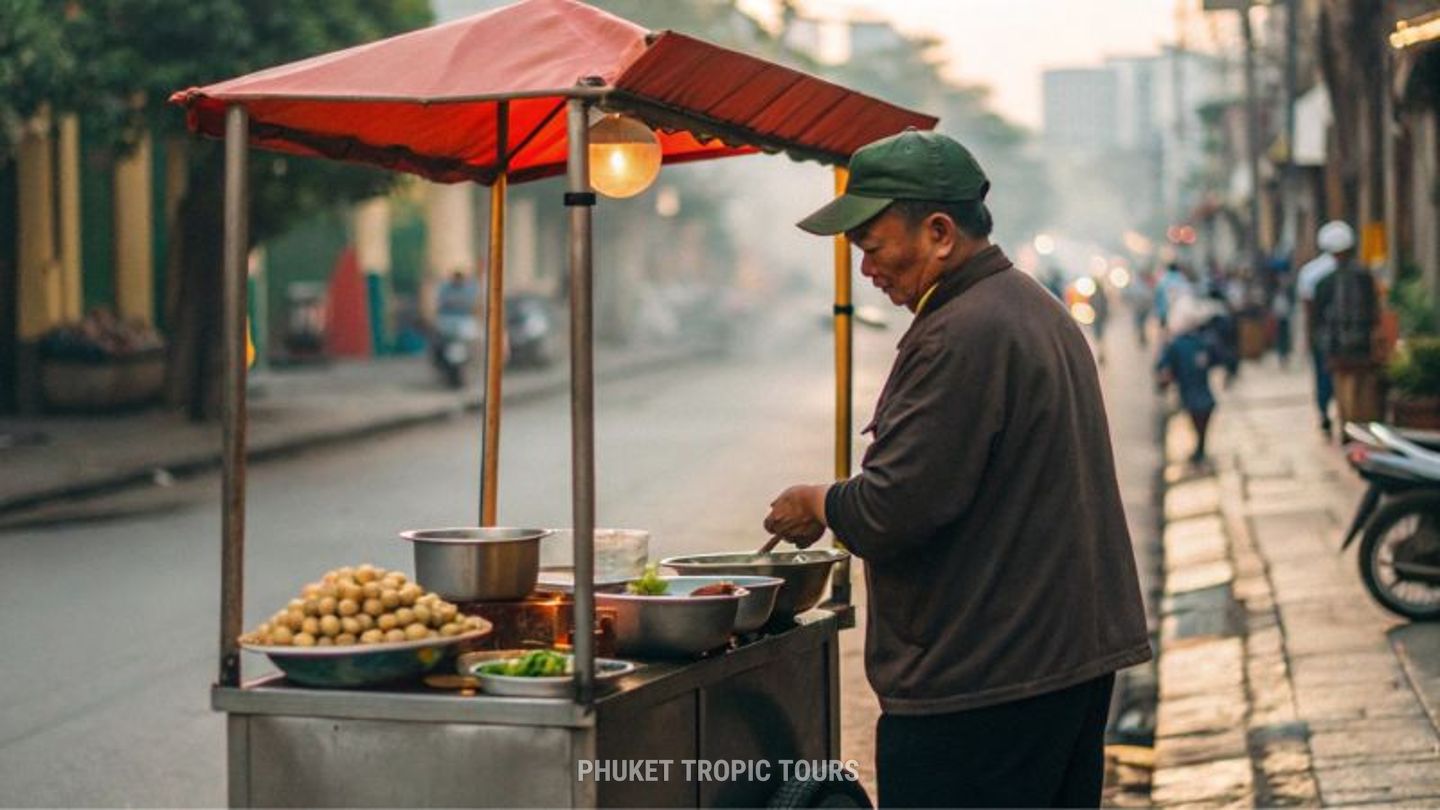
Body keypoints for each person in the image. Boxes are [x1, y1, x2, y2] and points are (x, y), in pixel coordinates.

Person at [762, 129, 1151, 809]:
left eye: (873, 247)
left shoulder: (959, 333)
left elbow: (894, 508)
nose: (867, 270)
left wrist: (818, 502)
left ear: (939, 232)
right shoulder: (1033, 308)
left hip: (983, 687)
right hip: (1058, 668)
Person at [1313, 228, 1381, 427]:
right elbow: (1374, 310)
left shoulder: (1324, 282)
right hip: (1362, 343)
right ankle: (1361, 424)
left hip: (1337, 346)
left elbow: (1317, 317)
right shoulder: (1364, 277)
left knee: (1341, 387)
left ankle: (1347, 426)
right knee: (1362, 387)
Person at [1297, 221, 1351, 436]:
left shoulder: (1310, 273)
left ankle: (1325, 413)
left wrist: (1310, 337)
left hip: (1325, 335)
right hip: (1351, 336)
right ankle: (1346, 415)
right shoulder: (1355, 270)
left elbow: (1310, 311)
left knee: (1323, 375)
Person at [1156, 295, 1218, 464]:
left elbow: (1165, 370)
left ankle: (1199, 451)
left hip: (1191, 395)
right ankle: (1200, 450)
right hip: (1204, 395)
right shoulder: (1201, 341)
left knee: (1197, 424)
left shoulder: (1175, 345)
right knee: (1201, 426)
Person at [1153, 262, 1193, 333]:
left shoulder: (1163, 280)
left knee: (1165, 329)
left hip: (1165, 310)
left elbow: (1158, 296)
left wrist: (1158, 311)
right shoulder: (1182, 279)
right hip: (1179, 310)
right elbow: (1188, 293)